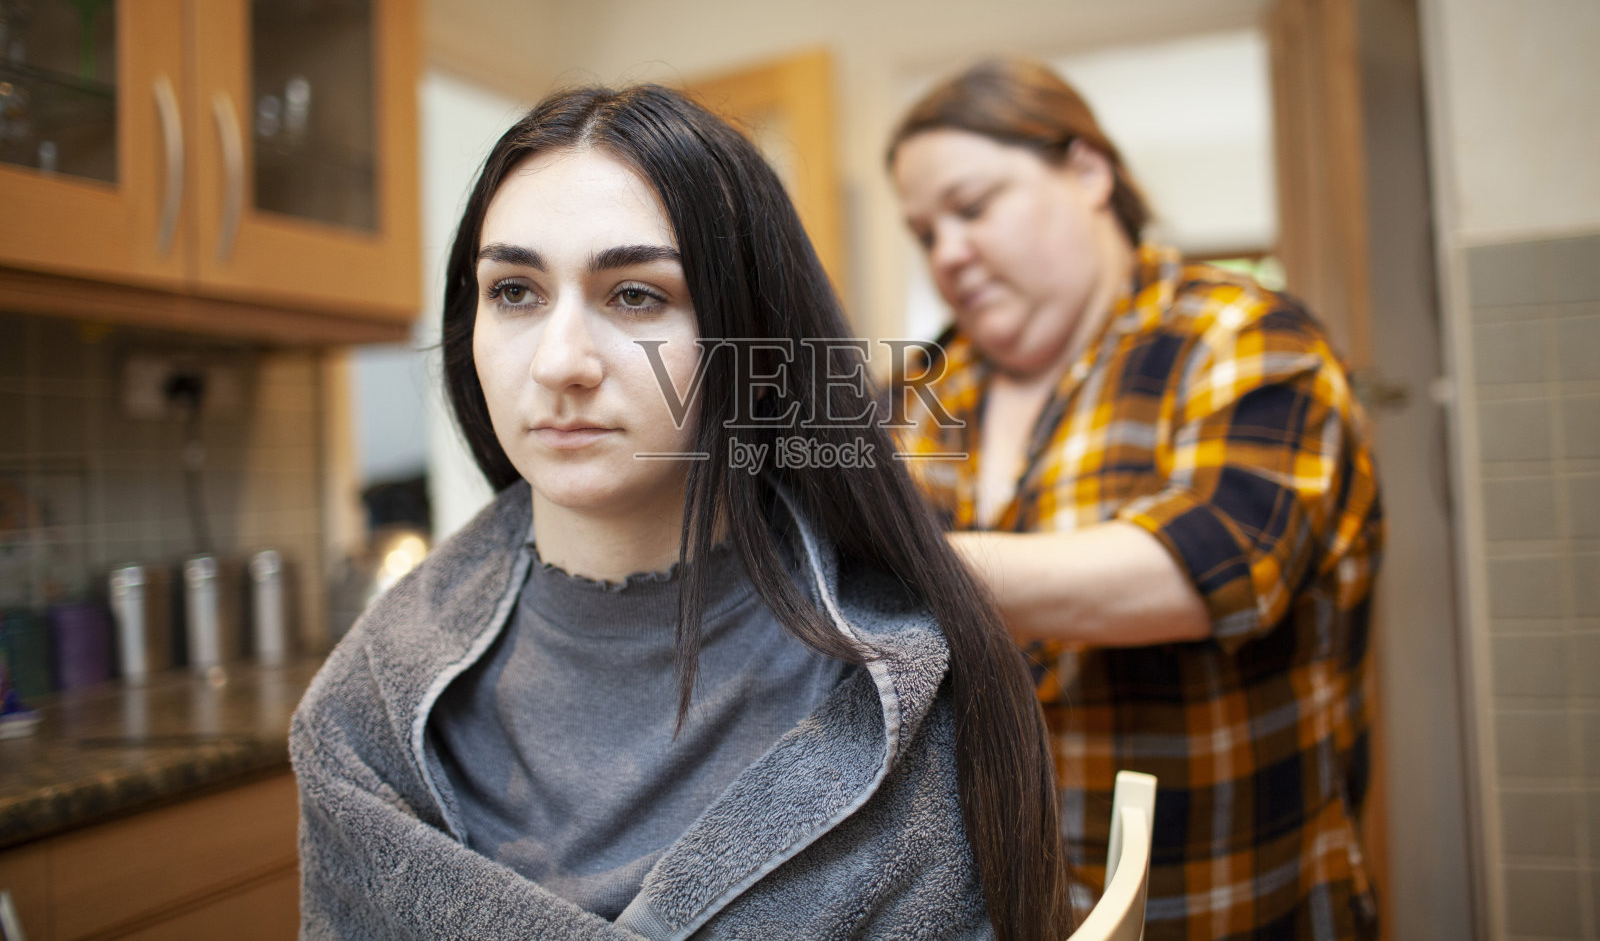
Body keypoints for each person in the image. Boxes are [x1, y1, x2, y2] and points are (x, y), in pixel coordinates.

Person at [291, 83, 1074, 940]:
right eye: (514, 290)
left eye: (636, 295)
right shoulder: (364, 716)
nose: (560, 362)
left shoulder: (902, 682)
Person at [887, 58, 1382, 940]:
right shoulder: (926, 387)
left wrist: (889, 562)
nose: (947, 252)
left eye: (972, 206)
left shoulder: (1242, 335)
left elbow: (1215, 566)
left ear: (1086, 171)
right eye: (925, 232)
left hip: (1232, 905)